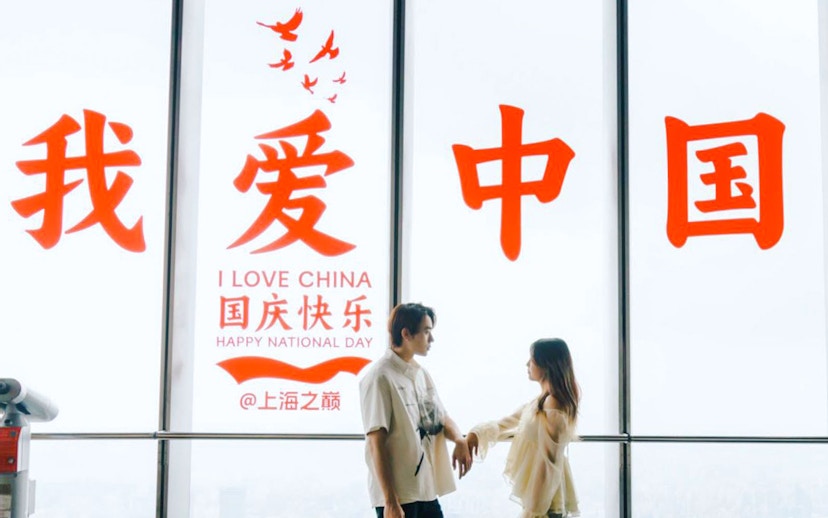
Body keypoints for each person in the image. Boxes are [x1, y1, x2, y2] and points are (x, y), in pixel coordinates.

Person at [359, 302, 472, 518]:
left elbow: (441, 416)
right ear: (406, 334)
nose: (432, 339)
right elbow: (376, 442)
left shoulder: (421, 374)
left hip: (425, 490)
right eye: (427, 332)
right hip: (399, 496)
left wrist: (459, 439)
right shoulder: (379, 377)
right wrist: (390, 501)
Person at [466, 338, 580, 518]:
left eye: (532, 359)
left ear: (546, 364)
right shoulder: (541, 401)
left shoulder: (552, 404)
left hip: (545, 504)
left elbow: (549, 462)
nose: (527, 364)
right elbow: (507, 422)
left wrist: (534, 511)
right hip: (543, 501)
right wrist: (475, 433)